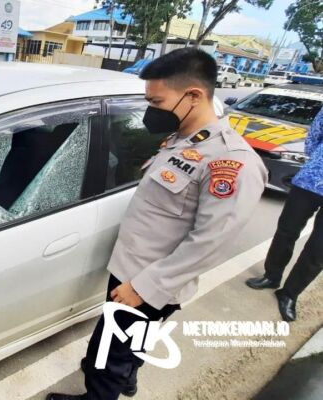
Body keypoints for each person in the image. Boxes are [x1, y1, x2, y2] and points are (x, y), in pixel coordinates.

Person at [47, 48, 267, 400]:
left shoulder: (230, 161)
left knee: (108, 354)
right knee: (130, 345)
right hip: (133, 270)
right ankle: (129, 377)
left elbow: (210, 242)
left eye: (158, 101)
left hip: (150, 282)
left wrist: (145, 287)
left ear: (193, 95)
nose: (152, 110)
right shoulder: (184, 139)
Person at [245, 107, 323, 321]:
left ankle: (290, 294)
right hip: (310, 181)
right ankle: (271, 275)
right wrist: (318, 163)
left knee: (318, 251)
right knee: (286, 231)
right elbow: (314, 137)